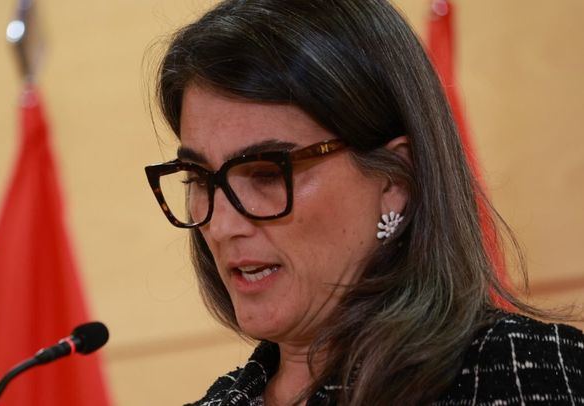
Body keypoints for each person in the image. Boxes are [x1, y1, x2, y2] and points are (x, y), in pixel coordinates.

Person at [143, 0, 584, 404]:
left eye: (266, 174)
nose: (221, 226)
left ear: (395, 181)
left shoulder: (525, 375)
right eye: (199, 178)